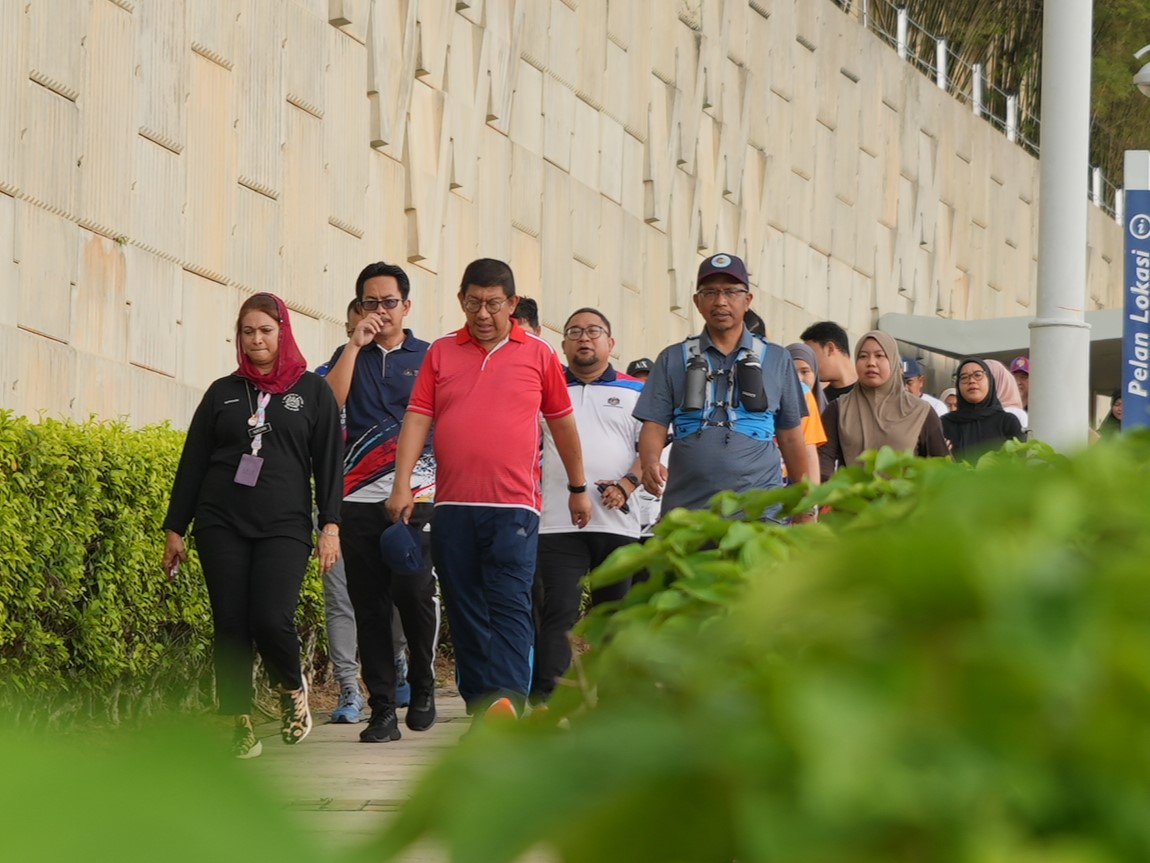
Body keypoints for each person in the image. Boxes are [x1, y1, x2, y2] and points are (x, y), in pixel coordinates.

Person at [387, 258, 592, 719]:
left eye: (494, 304)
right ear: (461, 299)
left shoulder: (538, 354)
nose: (483, 314)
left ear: (512, 303)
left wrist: (577, 486)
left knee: (510, 603)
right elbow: (418, 417)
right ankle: (483, 706)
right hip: (453, 505)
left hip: (514, 506)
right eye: (474, 303)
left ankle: (508, 700)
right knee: (465, 608)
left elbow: (562, 425)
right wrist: (403, 485)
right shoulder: (441, 352)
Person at [162, 293, 342, 759]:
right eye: (248, 331)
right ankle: (238, 723)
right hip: (220, 520)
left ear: (283, 332)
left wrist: (330, 526)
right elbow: (194, 461)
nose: (256, 340)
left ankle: (291, 688)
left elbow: (328, 464)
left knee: (270, 616)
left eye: (265, 330)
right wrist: (176, 527)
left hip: (284, 524)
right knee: (230, 624)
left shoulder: (312, 391)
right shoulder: (222, 391)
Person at [323, 262, 441, 743]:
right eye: (370, 302)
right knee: (368, 606)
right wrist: (354, 345)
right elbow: (328, 406)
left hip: (419, 496)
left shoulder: (430, 356)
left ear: (406, 306)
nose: (380, 311)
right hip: (357, 498)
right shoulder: (348, 354)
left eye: (389, 302)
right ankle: (383, 710)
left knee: (413, 592)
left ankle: (424, 683)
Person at [633, 253, 812, 521]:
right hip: (688, 508)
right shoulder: (672, 357)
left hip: (759, 510)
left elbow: (791, 437)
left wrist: (806, 506)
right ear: (697, 301)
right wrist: (649, 462)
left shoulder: (777, 358)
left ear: (747, 300)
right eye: (710, 292)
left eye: (731, 292)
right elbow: (655, 424)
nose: (720, 301)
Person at [532, 308, 644, 704]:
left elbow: (650, 449)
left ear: (610, 343)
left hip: (618, 522)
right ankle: (548, 702)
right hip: (557, 522)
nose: (584, 338)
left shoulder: (635, 392)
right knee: (558, 612)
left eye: (594, 331)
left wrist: (627, 485)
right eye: (574, 332)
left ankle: (613, 703)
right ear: (563, 345)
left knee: (613, 616)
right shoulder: (546, 390)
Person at [313, 299, 366, 723]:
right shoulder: (320, 378)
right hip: (336, 506)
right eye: (355, 327)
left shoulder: (405, 373)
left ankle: (398, 663)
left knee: (398, 597)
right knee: (339, 598)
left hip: (387, 505)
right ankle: (349, 685)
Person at [819, 331, 949, 481]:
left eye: (879, 355)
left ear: (893, 361)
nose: (871, 362)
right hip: (854, 495)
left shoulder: (921, 412)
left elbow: (941, 465)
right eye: (863, 356)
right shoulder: (839, 409)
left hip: (905, 495)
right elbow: (823, 459)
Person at [940, 357, 1025, 461]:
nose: (971, 381)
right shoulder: (944, 423)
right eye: (964, 377)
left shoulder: (1007, 422)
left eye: (978, 375)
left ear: (990, 381)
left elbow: (1021, 462)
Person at [786, 342, 827, 486]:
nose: (798, 378)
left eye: (805, 372)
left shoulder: (829, 410)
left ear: (815, 373)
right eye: (792, 372)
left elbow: (811, 454)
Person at [801, 321, 858, 402]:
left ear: (830, 349)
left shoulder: (871, 392)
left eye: (812, 355)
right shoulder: (819, 401)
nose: (808, 363)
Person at [985, 359, 1029, 429]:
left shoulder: (1038, 410)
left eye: (1023, 377)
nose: (1017, 382)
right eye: (1014, 377)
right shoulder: (989, 409)